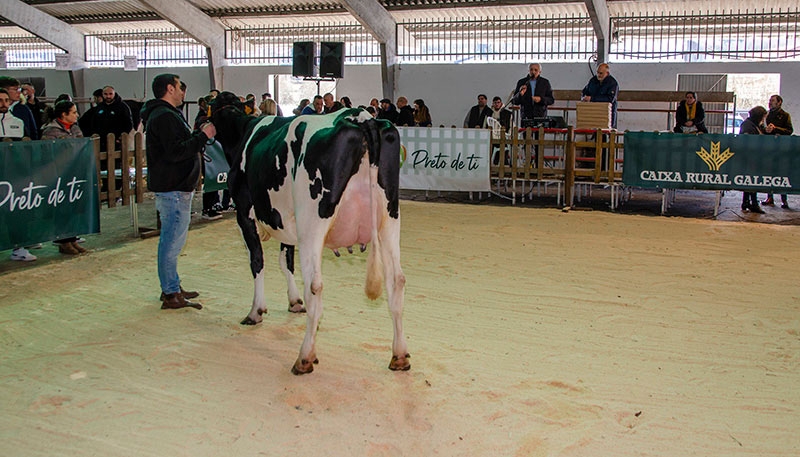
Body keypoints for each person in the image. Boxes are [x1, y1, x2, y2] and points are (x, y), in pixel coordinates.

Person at [141, 73, 215, 310]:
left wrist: (197, 136)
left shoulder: (167, 114)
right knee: (171, 243)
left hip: (176, 187)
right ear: (170, 89)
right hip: (172, 188)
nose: (184, 91)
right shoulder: (163, 116)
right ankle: (170, 293)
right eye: (180, 87)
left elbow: (178, 145)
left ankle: (172, 285)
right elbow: (175, 152)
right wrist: (203, 137)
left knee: (174, 241)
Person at [39, 100, 90, 255]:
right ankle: (63, 241)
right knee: (62, 208)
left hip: (74, 172)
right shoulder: (51, 131)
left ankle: (72, 237)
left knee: (73, 206)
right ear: (64, 114)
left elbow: (81, 146)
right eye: (74, 112)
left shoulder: (75, 128)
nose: (77, 115)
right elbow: (47, 154)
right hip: (59, 174)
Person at [762, 94, 794, 208]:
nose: (770, 102)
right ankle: (769, 197)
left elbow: (789, 130)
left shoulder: (785, 115)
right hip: (769, 148)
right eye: (770, 100)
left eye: (772, 101)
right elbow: (761, 129)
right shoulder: (766, 115)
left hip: (781, 149)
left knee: (782, 174)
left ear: (779, 102)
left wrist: (776, 129)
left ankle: (784, 199)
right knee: (769, 173)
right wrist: (766, 129)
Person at [739, 105, 767, 214]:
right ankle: (753, 203)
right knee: (752, 180)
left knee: (749, 180)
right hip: (749, 158)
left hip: (752, 157)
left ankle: (746, 202)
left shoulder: (754, 125)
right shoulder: (748, 126)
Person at [90, 86, 134, 152]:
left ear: (114, 93)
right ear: (102, 94)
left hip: (117, 143)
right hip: (101, 143)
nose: (108, 96)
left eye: (110, 94)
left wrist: (120, 137)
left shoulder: (122, 107)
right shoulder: (99, 107)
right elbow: (94, 122)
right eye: (106, 94)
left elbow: (129, 123)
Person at [581, 63, 619, 129]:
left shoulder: (613, 83)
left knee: (608, 134)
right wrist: (584, 97)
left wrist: (592, 98)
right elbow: (585, 91)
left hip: (608, 114)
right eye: (597, 73)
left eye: (601, 73)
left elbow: (610, 99)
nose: (599, 75)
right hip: (595, 113)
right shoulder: (593, 80)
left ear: (607, 73)